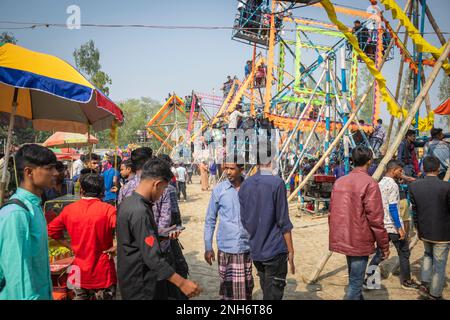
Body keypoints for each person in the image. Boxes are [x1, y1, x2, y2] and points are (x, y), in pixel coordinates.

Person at [116, 158, 201, 300]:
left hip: (131, 280)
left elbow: (136, 240)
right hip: (142, 285)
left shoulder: (129, 202)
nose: (161, 194)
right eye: (162, 190)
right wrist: (182, 283)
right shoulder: (140, 211)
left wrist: (162, 236)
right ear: (157, 184)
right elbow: (152, 257)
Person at [329, 146, 389, 300]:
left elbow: (332, 213)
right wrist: (384, 245)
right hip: (359, 239)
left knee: (354, 278)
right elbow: (376, 219)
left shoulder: (340, 182)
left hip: (344, 236)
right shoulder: (370, 184)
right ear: (369, 161)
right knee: (355, 284)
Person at [0, 144, 58, 299]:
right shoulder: (16, 214)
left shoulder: (34, 207)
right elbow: (17, 279)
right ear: (29, 172)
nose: (56, 173)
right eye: (50, 168)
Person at [47, 173, 117, 300]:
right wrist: (116, 246)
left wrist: (69, 245)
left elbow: (51, 230)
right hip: (103, 271)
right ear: (102, 191)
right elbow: (126, 230)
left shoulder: (69, 209)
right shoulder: (109, 210)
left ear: (82, 191)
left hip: (77, 270)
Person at [238, 159, 295, 300]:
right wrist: (291, 250)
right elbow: (283, 221)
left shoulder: (245, 184)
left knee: (266, 290)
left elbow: (244, 219)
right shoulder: (277, 183)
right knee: (272, 294)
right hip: (274, 250)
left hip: (256, 250)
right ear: (271, 160)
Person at [365, 160, 419, 290]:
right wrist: (399, 228)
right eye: (400, 171)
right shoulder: (393, 185)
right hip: (392, 226)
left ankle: (369, 281)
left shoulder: (379, 184)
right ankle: (406, 281)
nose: (401, 173)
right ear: (393, 170)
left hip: (381, 224)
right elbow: (393, 208)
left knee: (380, 253)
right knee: (404, 252)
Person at [204, 162, 253, 300]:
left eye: (232, 168)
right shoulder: (219, 190)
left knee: (247, 289)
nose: (228, 172)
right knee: (228, 291)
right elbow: (210, 220)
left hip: (246, 248)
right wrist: (208, 247)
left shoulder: (251, 188)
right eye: (226, 168)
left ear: (241, 169)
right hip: (226, 249)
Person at [409, 156, 450, 300]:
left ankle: (425, 284)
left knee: (428, 255)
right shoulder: (446, 187)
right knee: (439, 264)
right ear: (438, 169)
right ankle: (435, 294)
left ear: (423, 169)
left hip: (424, 230)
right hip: (443, 233)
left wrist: (418, 229)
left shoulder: (414, 186)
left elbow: (414, 211)